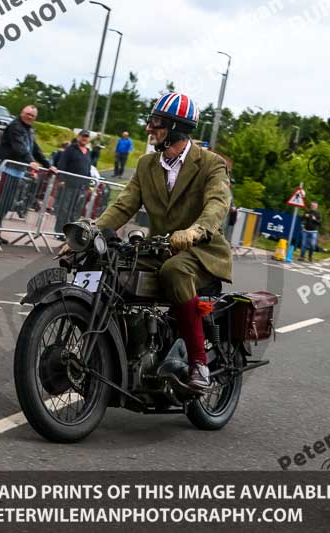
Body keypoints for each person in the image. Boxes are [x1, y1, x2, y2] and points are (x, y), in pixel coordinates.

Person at [80, 91, 231, 391]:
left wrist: (195, 231)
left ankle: (198, 363)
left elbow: (217, 204)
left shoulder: (211, 164)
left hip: (202, 252)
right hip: (160, 248)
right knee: (108, 262)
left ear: (176, 128)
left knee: (174, 271)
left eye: (157, 122)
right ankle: (125, 350)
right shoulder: (147, 164)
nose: (149, 128)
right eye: (151, 121)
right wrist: (91, 233)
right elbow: (123, 206)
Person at [0, 104, 56, 244]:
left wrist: (49, 165)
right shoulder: (15, 126)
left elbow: (36, 149)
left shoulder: (29, 130)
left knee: (7, 203)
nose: (29, 117)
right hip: (6, 170)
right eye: (28, 114)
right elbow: (20, 147)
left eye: (32, 116)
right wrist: (30, 161)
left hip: (17, 172)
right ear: (22, 113)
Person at [54, 130, 92, 237]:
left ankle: (70, 232)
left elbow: (88, 170)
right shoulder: (70, 149)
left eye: (86, 137)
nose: (84, 138)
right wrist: (61, 179)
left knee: (75, 211)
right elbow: (62, 164)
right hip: (68, 184)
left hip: (80, 186)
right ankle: (59, 232)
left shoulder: (88, 152)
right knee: (64, 209)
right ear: (78, 137)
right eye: (83, 136)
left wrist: (88, 185)